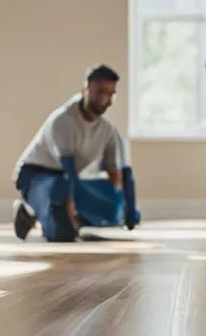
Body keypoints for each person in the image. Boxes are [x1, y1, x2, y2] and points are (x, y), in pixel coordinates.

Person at [13, 65, 139, 242]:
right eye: (100, 92)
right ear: (86, 89)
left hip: (68, 181)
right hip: (37, 175)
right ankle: (31, 212)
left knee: (111, 208)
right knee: (63, 232)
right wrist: (70, 207)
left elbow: (117, 174)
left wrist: (127, 208)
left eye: (111, 94)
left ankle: (52, 212)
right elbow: (68, 170)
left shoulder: (108, 130)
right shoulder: (63, 120)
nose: (105, 99)